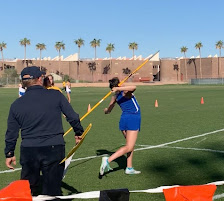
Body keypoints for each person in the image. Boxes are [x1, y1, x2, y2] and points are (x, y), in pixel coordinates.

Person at [4, 66, 84, 196]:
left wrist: (9, 153)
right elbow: (73, 117)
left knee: (29, 191)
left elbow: (11, 133)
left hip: (29, 150)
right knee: (53, 190)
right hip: (54, 148)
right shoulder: (56, 95)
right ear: (40, 79)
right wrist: (78, 132)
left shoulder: (16, 104)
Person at [100, 77, 141, 176]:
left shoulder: (115, 96)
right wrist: (119, 88)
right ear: (118, 84)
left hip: (124, 119)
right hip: (133, 118)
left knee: (130, 145)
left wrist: (106, 110)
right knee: (129, 146)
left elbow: (108, 111)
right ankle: (107, 160)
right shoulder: (125, 92)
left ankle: (129, 167)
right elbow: (134, 87)